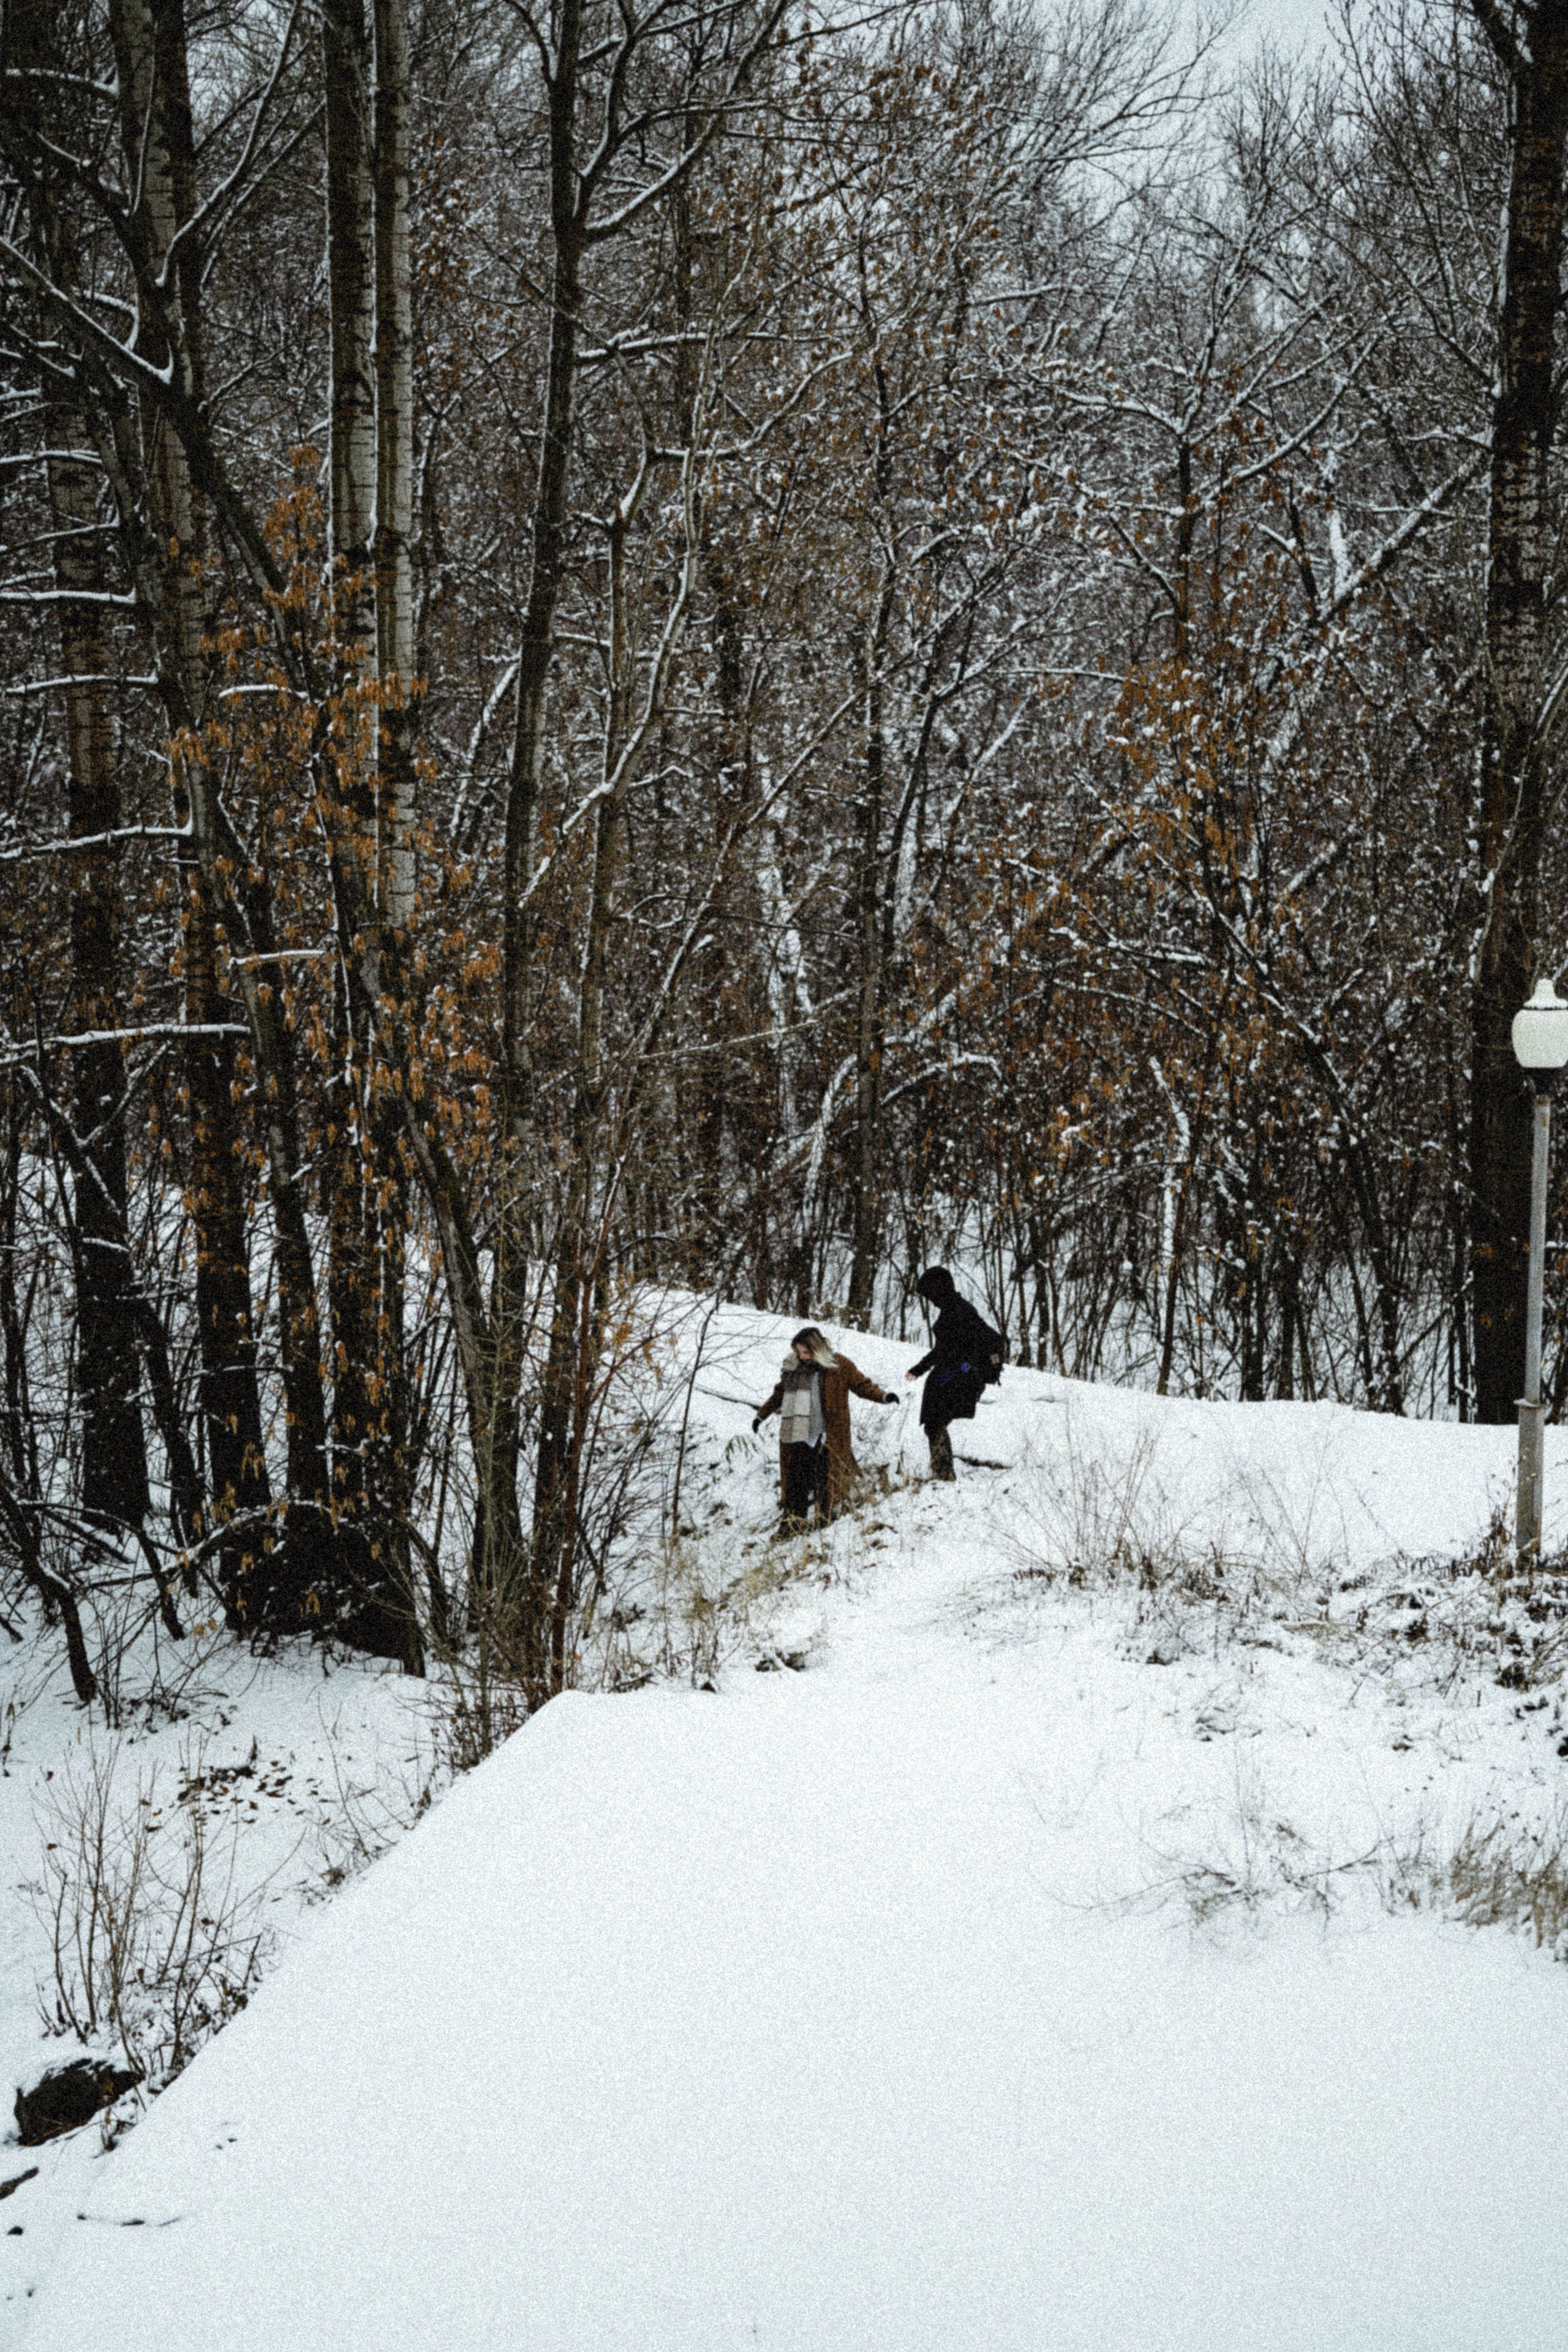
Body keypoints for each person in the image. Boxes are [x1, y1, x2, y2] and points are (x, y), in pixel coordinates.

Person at [753, 1327, 897, 1532]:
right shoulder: (794, 1368)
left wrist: (883, 1397)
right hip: (800, 1434)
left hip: (829, 1434)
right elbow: (780, 1394)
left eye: (806, 1352)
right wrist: (762, 1415)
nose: (802, 1357)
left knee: (826, 1481)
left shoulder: (839, 1365)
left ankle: (823, 1522)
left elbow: (862, 1385)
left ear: (818, 1349)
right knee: (796, 1482)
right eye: (799, 1352)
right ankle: (792, 1525)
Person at [905, 1267, 1005, 1480]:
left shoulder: (958, 1312)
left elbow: (949, 1350)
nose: (931, 1301)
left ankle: (944, 1476)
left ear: (940, 1290)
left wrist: (922, 1368)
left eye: (931, 1295)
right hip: (958, 1375)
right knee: (935, 1422)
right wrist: (920, 1369)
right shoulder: (955, 1309)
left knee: (935, 1422)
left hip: (962, 1376)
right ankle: (943, 1473)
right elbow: (947, 1349)